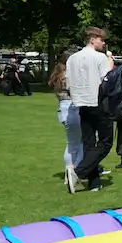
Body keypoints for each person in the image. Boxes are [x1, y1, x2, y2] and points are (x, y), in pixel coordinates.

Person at [66, 27, 113, 193]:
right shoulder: (100, 58)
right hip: (98, 102)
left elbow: (69, 83)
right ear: (93, 39)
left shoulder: (72, 58)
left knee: (89, 143)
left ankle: (94, 182)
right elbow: (106, 81)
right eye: (101, 39)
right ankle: (78, 172)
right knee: (106, 142)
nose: (103, 42)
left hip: (81, 103)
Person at [49, 52, 83, 189]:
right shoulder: (68, 75)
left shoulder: (57, 75)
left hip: (62, 108)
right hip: (72, 107)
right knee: (82, 142)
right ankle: (75, 170)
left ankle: (69, 171)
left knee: (72, 143)